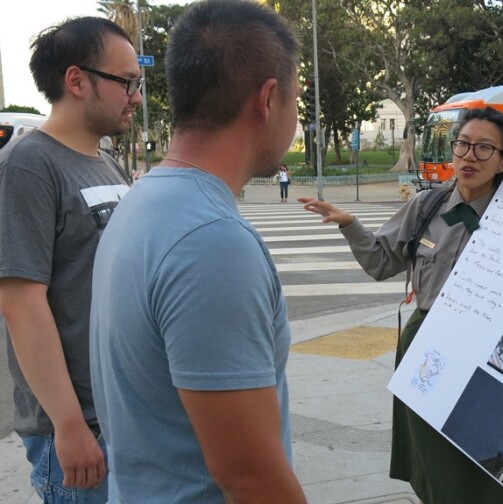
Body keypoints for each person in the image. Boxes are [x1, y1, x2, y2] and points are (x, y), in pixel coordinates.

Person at [299, 106, 503, 504]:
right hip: (427, 350)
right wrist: (349, 224)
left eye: (483, 148)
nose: (468, 156)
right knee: (435, 470)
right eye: (462, 144)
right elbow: (380, 262)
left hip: (492, 356)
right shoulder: (425, 207)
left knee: (484, 471)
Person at [89, 1, 307, 503]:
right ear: (268, 98)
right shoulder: (212, 241)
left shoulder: (142, 200)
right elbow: (249, 478)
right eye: (297, 100)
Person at [0, 17, 139, 503]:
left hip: (119, 411)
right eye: (126, 82)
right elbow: (21, 305)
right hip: (78, 427)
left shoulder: (106, 162)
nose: (136, 97)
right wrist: (68, 424)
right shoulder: (28, 166)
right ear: (76, 80)